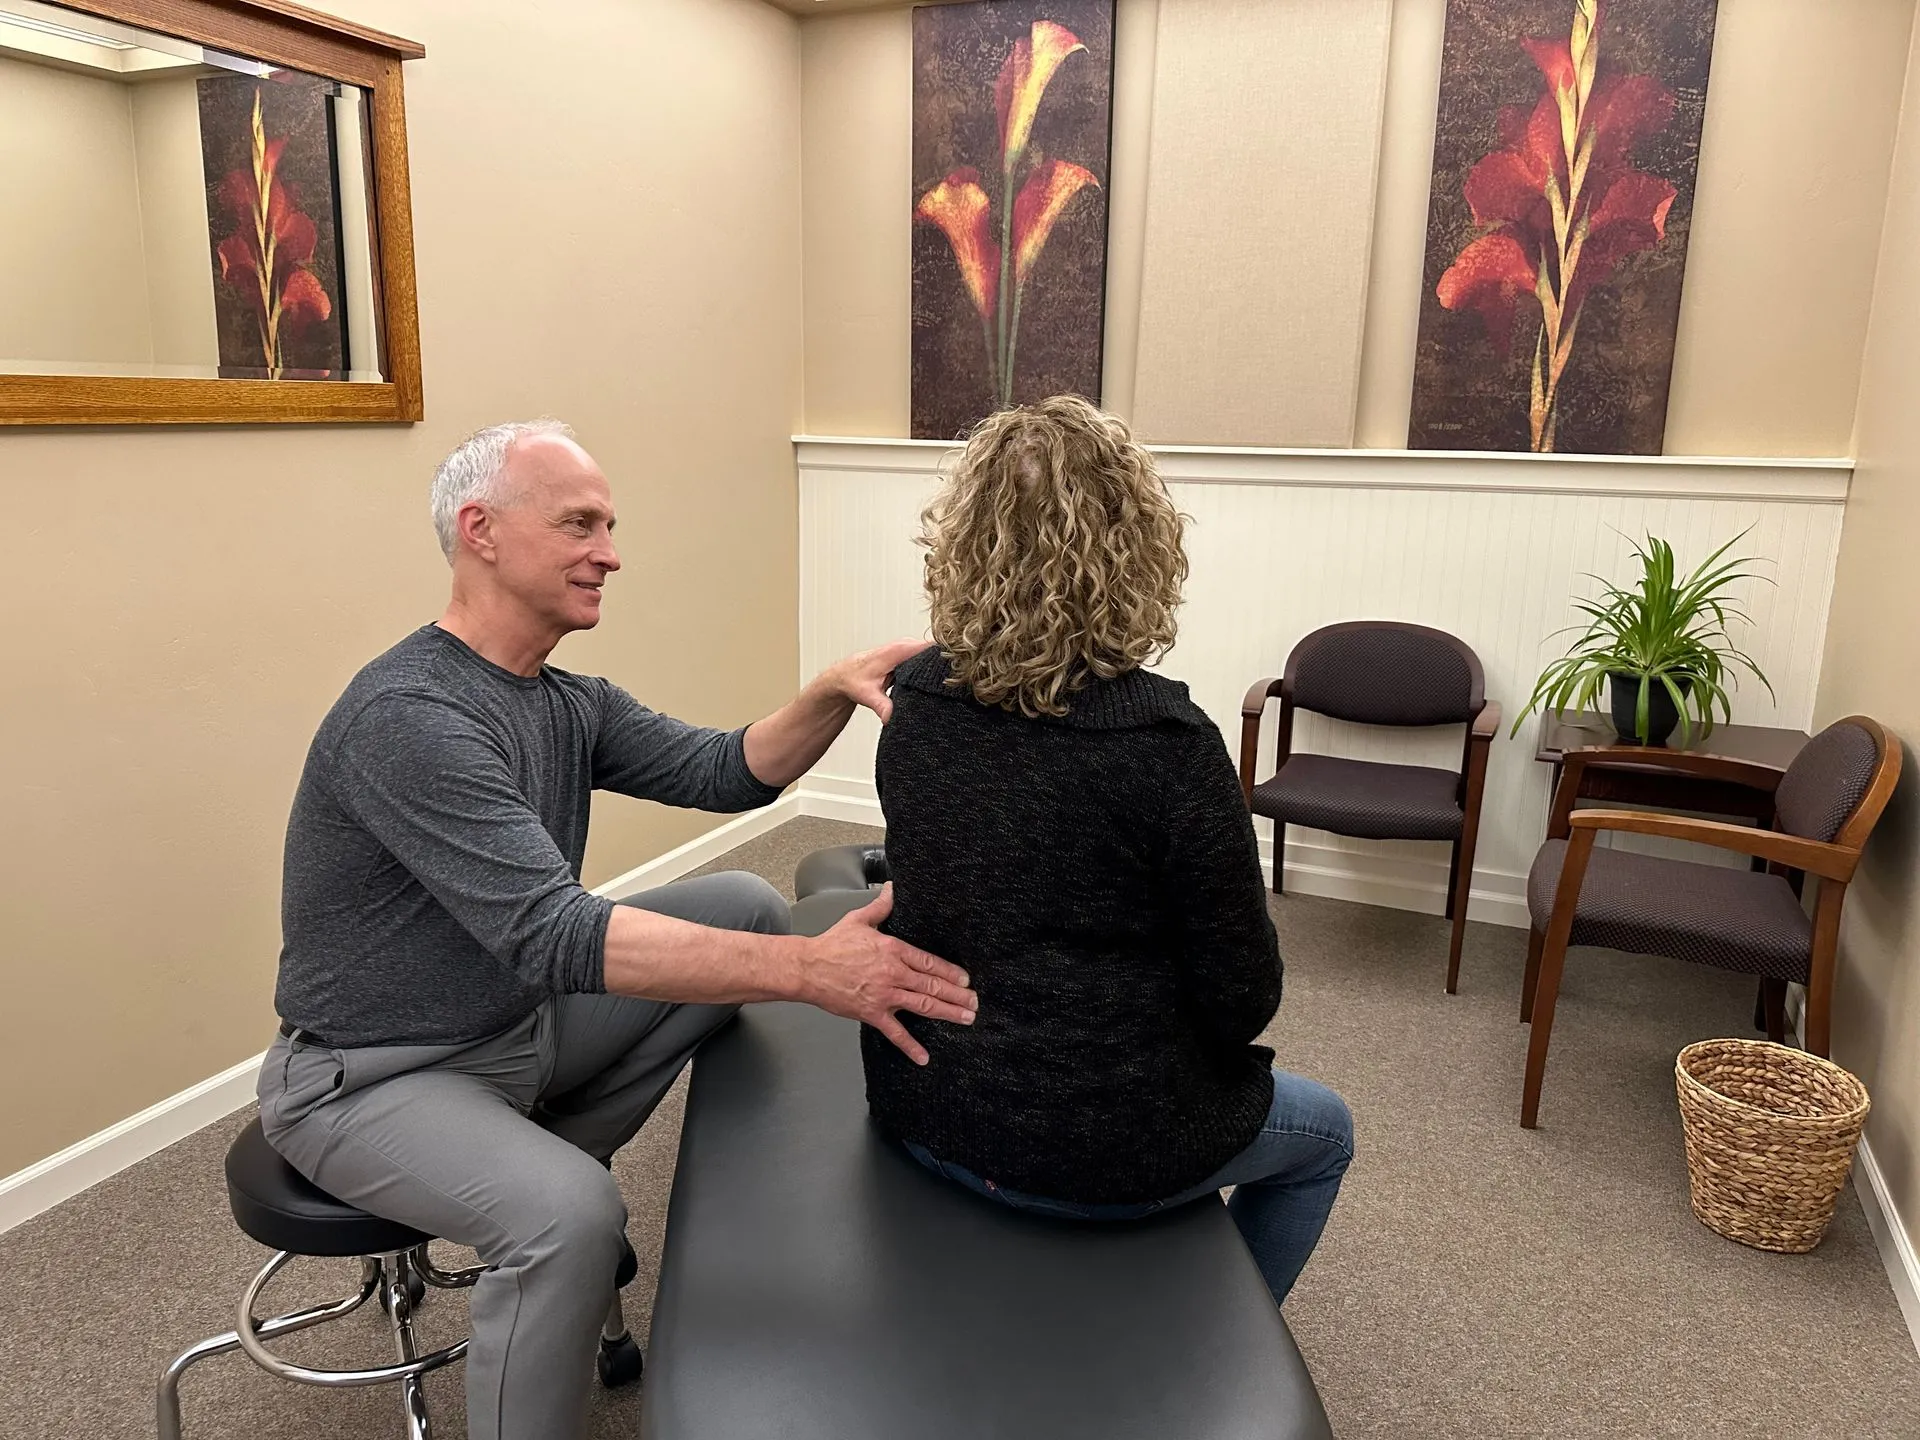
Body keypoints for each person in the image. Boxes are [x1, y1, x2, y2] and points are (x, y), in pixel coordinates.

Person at [257, 419, 978, 1440]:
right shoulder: (412, 717)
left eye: (610, 525)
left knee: (742, 904)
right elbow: (555, 935)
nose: (611, 551)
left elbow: (728, 770)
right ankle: (549, 1203)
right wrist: (816, 971)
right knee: (569, 1219)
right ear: (483, 532)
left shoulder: (563, 701)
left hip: (510, 1030)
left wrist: (827, 692)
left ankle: (541, 1155)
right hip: (368, 1077)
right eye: (580, 525)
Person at [863, 395, 1352, 1307]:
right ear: (1137, 552)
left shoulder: (914, 706)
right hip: (1103, 1153)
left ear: (964, 544)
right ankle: (1220, 1353)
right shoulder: (1168, 744)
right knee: (1326, 1133)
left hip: (926, 1110)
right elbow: (1244, 1001)